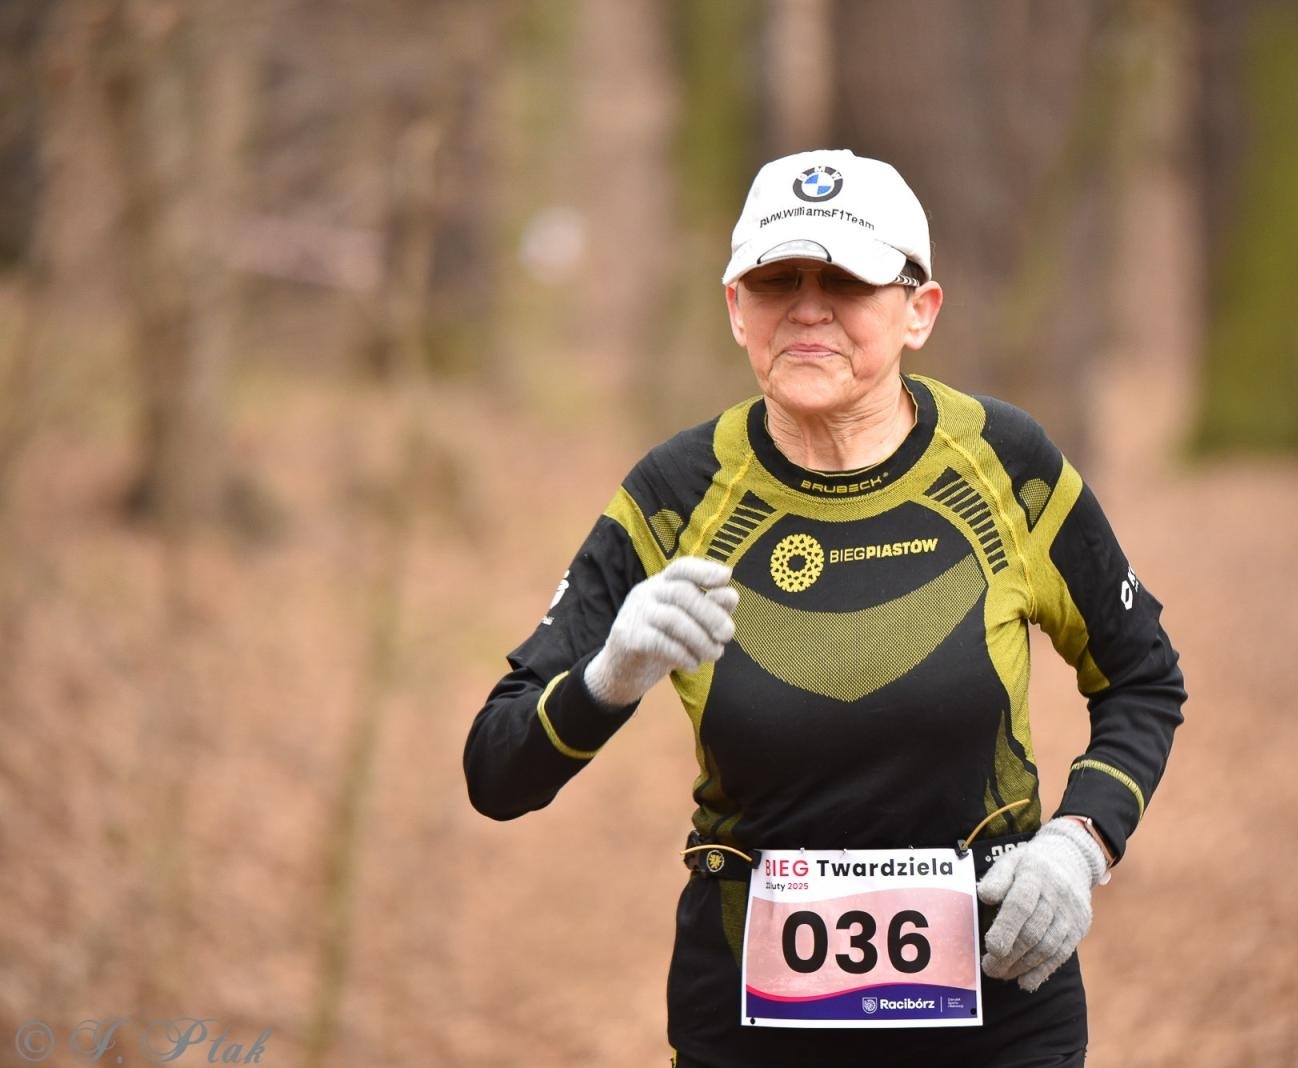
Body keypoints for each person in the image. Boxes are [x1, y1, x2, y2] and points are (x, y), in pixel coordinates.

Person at [464, 149, 1186, 1068]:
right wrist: (606, 680)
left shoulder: (1006, 462)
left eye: (846, 279)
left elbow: (1143, 678)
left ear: (919, 310)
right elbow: (496, 771)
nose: (808, 308)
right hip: (750, 1023)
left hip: (999, 1007)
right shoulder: (676, 494)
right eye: (776, 279)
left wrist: (1079, 845)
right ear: (736, 308)